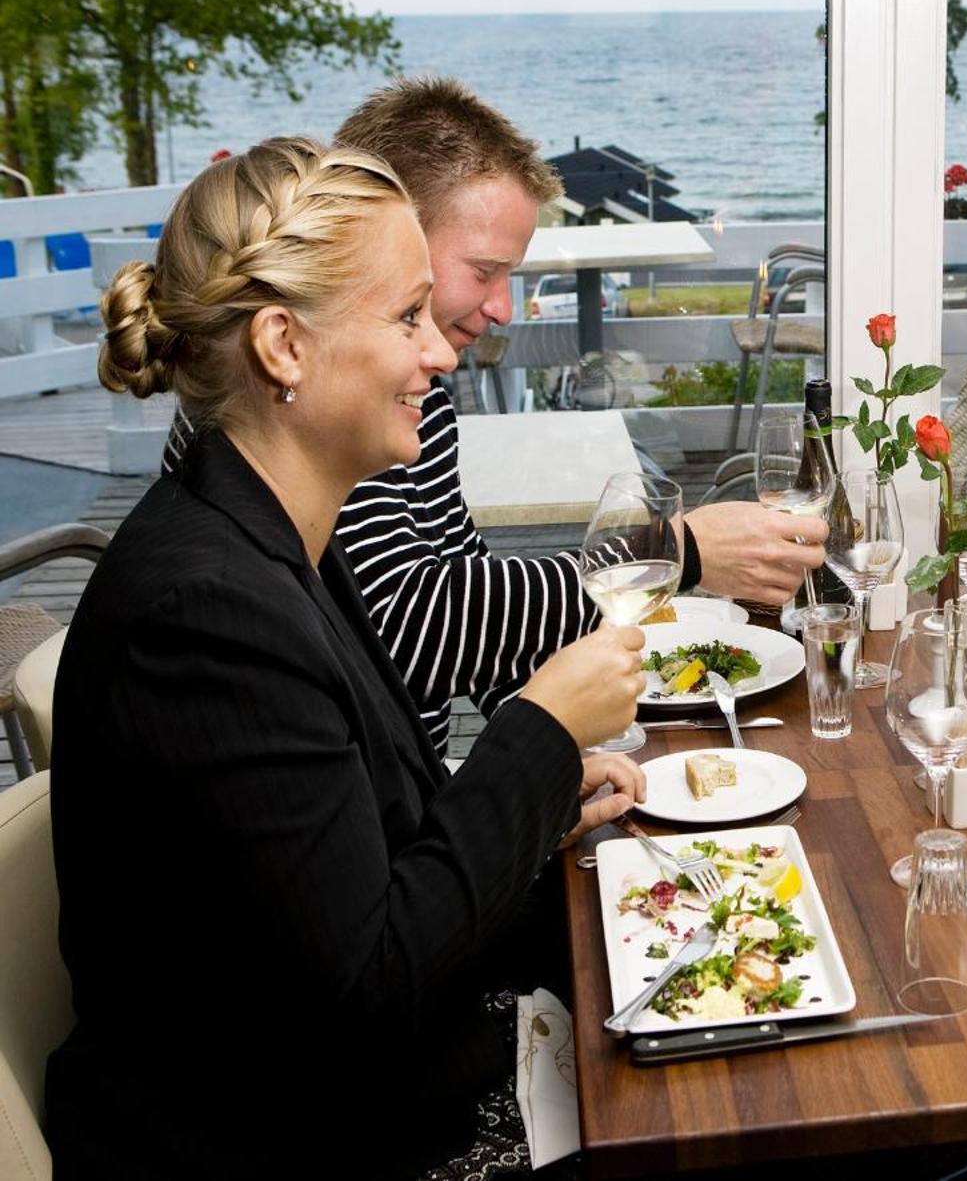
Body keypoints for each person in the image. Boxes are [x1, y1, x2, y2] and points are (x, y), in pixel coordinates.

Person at [53, 138, 647, 1178]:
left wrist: (538, 801)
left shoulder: (275, 543)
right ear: (284, 344)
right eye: (407, 317)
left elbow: (348, 873)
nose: (443, 355)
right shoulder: (203, 614)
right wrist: (538, 735)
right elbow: (368, 990)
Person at [162, 75, 826, 758]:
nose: (505, 307)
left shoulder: (415, 398)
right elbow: (407, 624)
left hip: (418, 784)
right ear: (393, 237)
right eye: (483, 271)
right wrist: (673, 552)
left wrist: (548, 750)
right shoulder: (316, 416)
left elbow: (460, 588)